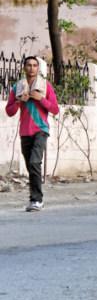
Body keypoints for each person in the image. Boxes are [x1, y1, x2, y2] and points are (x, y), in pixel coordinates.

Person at [5, 55, 60, 211]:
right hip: (25, 132)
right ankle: (36, 197)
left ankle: (36, 200)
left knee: (35, 162)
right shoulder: (18, 87)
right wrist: (18, 101)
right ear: (24, 68)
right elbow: (9, 111)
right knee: (31, 166)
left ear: (38, 68)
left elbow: (55, 109)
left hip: (41, 130)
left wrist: (40, 99)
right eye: (28, 65)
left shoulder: (45, 86)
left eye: (35, 65)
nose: (31, 68)